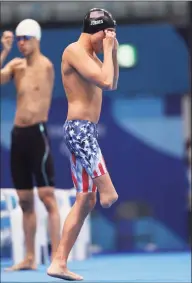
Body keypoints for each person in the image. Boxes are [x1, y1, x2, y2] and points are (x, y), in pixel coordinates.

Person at [47, 8, 119, 281]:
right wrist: (109, 50)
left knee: (86, 199)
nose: (107, 41)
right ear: (98, 30)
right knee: (108, 195)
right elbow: (104, 80)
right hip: (80, 132)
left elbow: (112, 82)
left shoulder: (92, 55)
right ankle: (59, 259)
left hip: (85, 132)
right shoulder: (74, 51)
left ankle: (59, 262)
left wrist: (111, 51)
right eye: (107, 35)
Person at [0, 19, 60, 271]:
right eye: (19, 39)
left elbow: (39, 63)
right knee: (25, 200)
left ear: (36, 39)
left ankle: (58, 257)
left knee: (47, 197)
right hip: (18, 135)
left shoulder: (46, 66)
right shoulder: (15, 65)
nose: (21, 43)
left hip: (38, 134)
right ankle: (29, 257)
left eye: (26, 38)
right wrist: (4, 52)